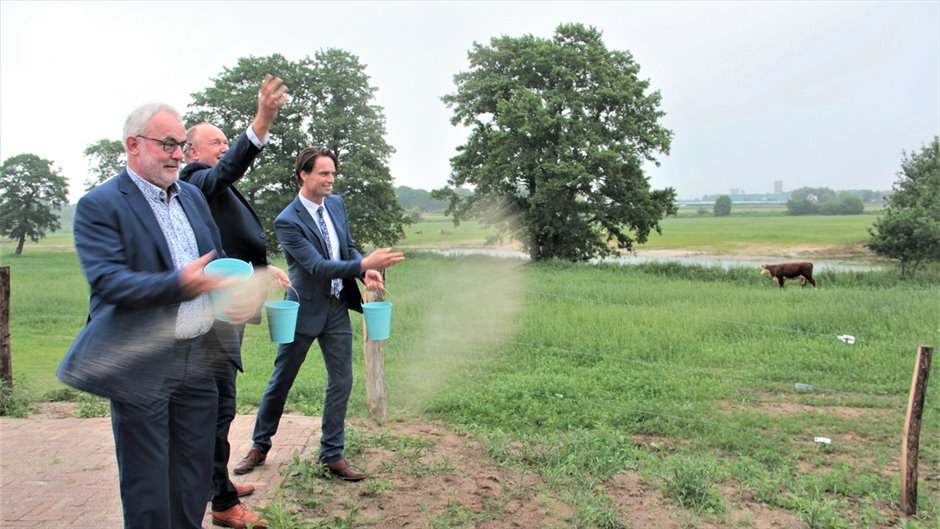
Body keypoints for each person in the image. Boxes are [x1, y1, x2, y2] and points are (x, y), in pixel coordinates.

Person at [57, 103, 252, 529]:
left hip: (200, 361)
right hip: (142, 362)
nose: (178, 154)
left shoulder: (194, 196)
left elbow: (214, 263)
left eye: (181, 145)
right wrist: (181, 285)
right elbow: (110, 284)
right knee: (148, 486)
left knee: (192, 478)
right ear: (133, 145)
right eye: (167, 144)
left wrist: (231, 299)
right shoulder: (100, 205)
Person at [233, 146, 405, 480]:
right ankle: (259, 445)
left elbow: (347, 246)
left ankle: (331, 454)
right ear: (304, 174)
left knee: (342, 380)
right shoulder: (287, 220)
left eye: (332, 173)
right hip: (302, 310)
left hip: (337, 308)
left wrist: (362, 271)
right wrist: (364, 263)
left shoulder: (337, 205)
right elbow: (315, 266)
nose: (330, 180)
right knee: (282, 380)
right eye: (323, 173)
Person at [180, 74, 290, 529]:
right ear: (190, 153)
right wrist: (261, 121)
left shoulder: (209, 185)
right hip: (213, 314)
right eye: (215, 142)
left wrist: (262, 273)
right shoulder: (196, 179)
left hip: (231, 307)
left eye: (227, 141)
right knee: (219, 405)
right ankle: (223, 504)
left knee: (223, 404)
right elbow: (227, 171)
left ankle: (217, 482)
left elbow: (232, 241)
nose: (223, 148)